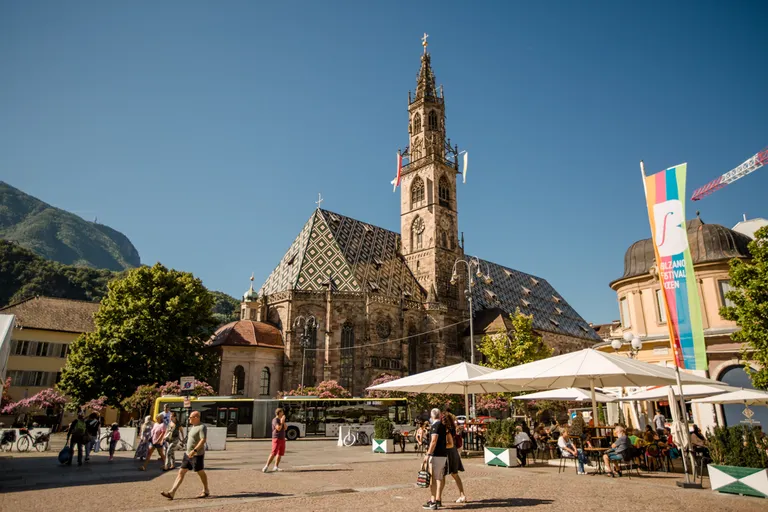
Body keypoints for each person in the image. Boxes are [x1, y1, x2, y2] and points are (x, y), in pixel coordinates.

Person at [161, 410, 209, 500]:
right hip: (187, 454)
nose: (189, 419)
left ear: (196, 418)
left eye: (190, 417)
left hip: (197, 455)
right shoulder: (193, 426)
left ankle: (206, 490)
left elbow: (203, 440)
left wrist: (194, 451)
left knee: (200, 472)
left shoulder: (202, 427)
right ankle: (172, 492)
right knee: (181, 472)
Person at [423, 408, 448, 510]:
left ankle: (433, 501)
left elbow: (433, 441)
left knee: (432, 479)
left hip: (435, 455)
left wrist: (428, 454)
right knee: (439, 478)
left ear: (432, 416)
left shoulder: (435, 426)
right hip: (442, 454)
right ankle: (438, 499)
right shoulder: (442, 425)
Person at [442, 412, 466, 504]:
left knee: (442, 475)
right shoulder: (452, 428)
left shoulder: (446, 429)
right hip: (453, 451)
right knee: (454, 474)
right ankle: (462, 495)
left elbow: (448, 442)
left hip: (448, 452)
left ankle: (438, 497)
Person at [263, 408, 286, 472]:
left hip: (282, 438)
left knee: (280, 453)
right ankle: (266, 466)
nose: (283, 413)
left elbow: (285, 428)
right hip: (276, 438)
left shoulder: (281, 420)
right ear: (279, 413)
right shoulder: (275, 420)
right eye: (282, 412)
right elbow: (278, 428)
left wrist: (283, 421)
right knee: (274, 452)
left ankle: (276, 466)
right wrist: (281, 422)